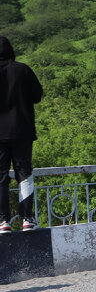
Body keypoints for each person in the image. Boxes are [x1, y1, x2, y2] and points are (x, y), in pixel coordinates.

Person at [0, 36, 43, 233]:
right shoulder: (23, 69)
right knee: (24, 173)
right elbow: (37, 96)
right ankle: (27, 218)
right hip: (22, 131)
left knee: (0, 176)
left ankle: (3, 221)